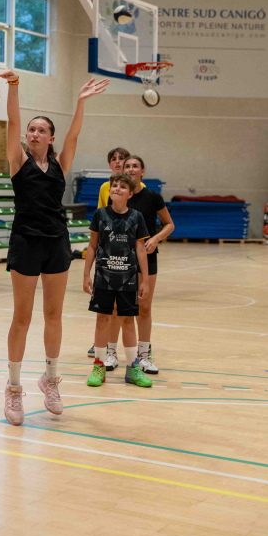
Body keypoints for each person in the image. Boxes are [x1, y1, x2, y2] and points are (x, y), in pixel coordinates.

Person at [0, 68, 109, 425]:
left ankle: (50, 379)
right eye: (31, 129)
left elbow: (74, 135)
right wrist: (15, 87)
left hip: (57, 241)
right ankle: (14, 388)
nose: (33, 133)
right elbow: (12, 122)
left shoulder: (61, 164)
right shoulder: (18, 161)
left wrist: (80, 102)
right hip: (25, 241)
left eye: (41, 130)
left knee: (54, 315)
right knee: (22, 317)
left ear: (50, 137)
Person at [101, 155, 174, 374]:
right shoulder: (118, 196)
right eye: (127, 166)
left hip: (146, 257)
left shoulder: (152, 197)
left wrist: (155, 238)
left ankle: (143, 355)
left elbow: (169, 224)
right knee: (116, 308)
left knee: (144, 307)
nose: (131, 169)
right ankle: (111, 353)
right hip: (120, 259)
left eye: (135, 166)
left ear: (142, 171)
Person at [83, 172, 153, 389]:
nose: (117, 189)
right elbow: (92, 245)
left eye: (123, 187)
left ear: (130, 194)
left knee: (128, 321)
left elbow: (140, 249)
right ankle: (99, 366)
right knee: (102, 319)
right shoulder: (100, 214)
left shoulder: (136, 217)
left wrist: (145, 280)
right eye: (114, 185)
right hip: (103, 277)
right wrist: (86, 274)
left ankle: (132, 368)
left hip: (127, 278)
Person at [88, 146, 133, 358]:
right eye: (113, 159)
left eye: (121, 158)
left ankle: (126, 350)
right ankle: (102, 344)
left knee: (125, 309)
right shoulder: (105, 188)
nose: (117, 162)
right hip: (107, 254)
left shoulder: (137, 188)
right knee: (104, 308)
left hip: (127, 257)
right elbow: (101, 218)